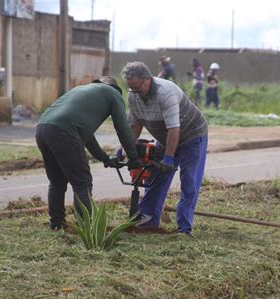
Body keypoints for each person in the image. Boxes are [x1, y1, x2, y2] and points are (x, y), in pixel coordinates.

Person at [36, 76, 141, 230]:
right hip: (64, 132)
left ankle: (57, 224)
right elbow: (123, 128)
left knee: (57, 182)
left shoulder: (80, 90)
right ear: (115, 89)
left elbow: (86, 136)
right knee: (82, 182)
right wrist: (133, 157)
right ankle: (86, 227)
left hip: (42, 129)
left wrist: (105, 158)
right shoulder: (113, 94)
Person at [121, 61, 208, 236]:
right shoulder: (133, 95)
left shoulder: (165, 92)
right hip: (165, 137)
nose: (135, 92)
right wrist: (126, 150)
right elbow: (135, 124)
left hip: (191, 135)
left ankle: (184, 228)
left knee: (189, 181)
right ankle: (148, 221)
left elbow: (174, 129)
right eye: (131, 88)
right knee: (156, 177)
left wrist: (169, 158)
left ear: (147, 80)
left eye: (137, 87)